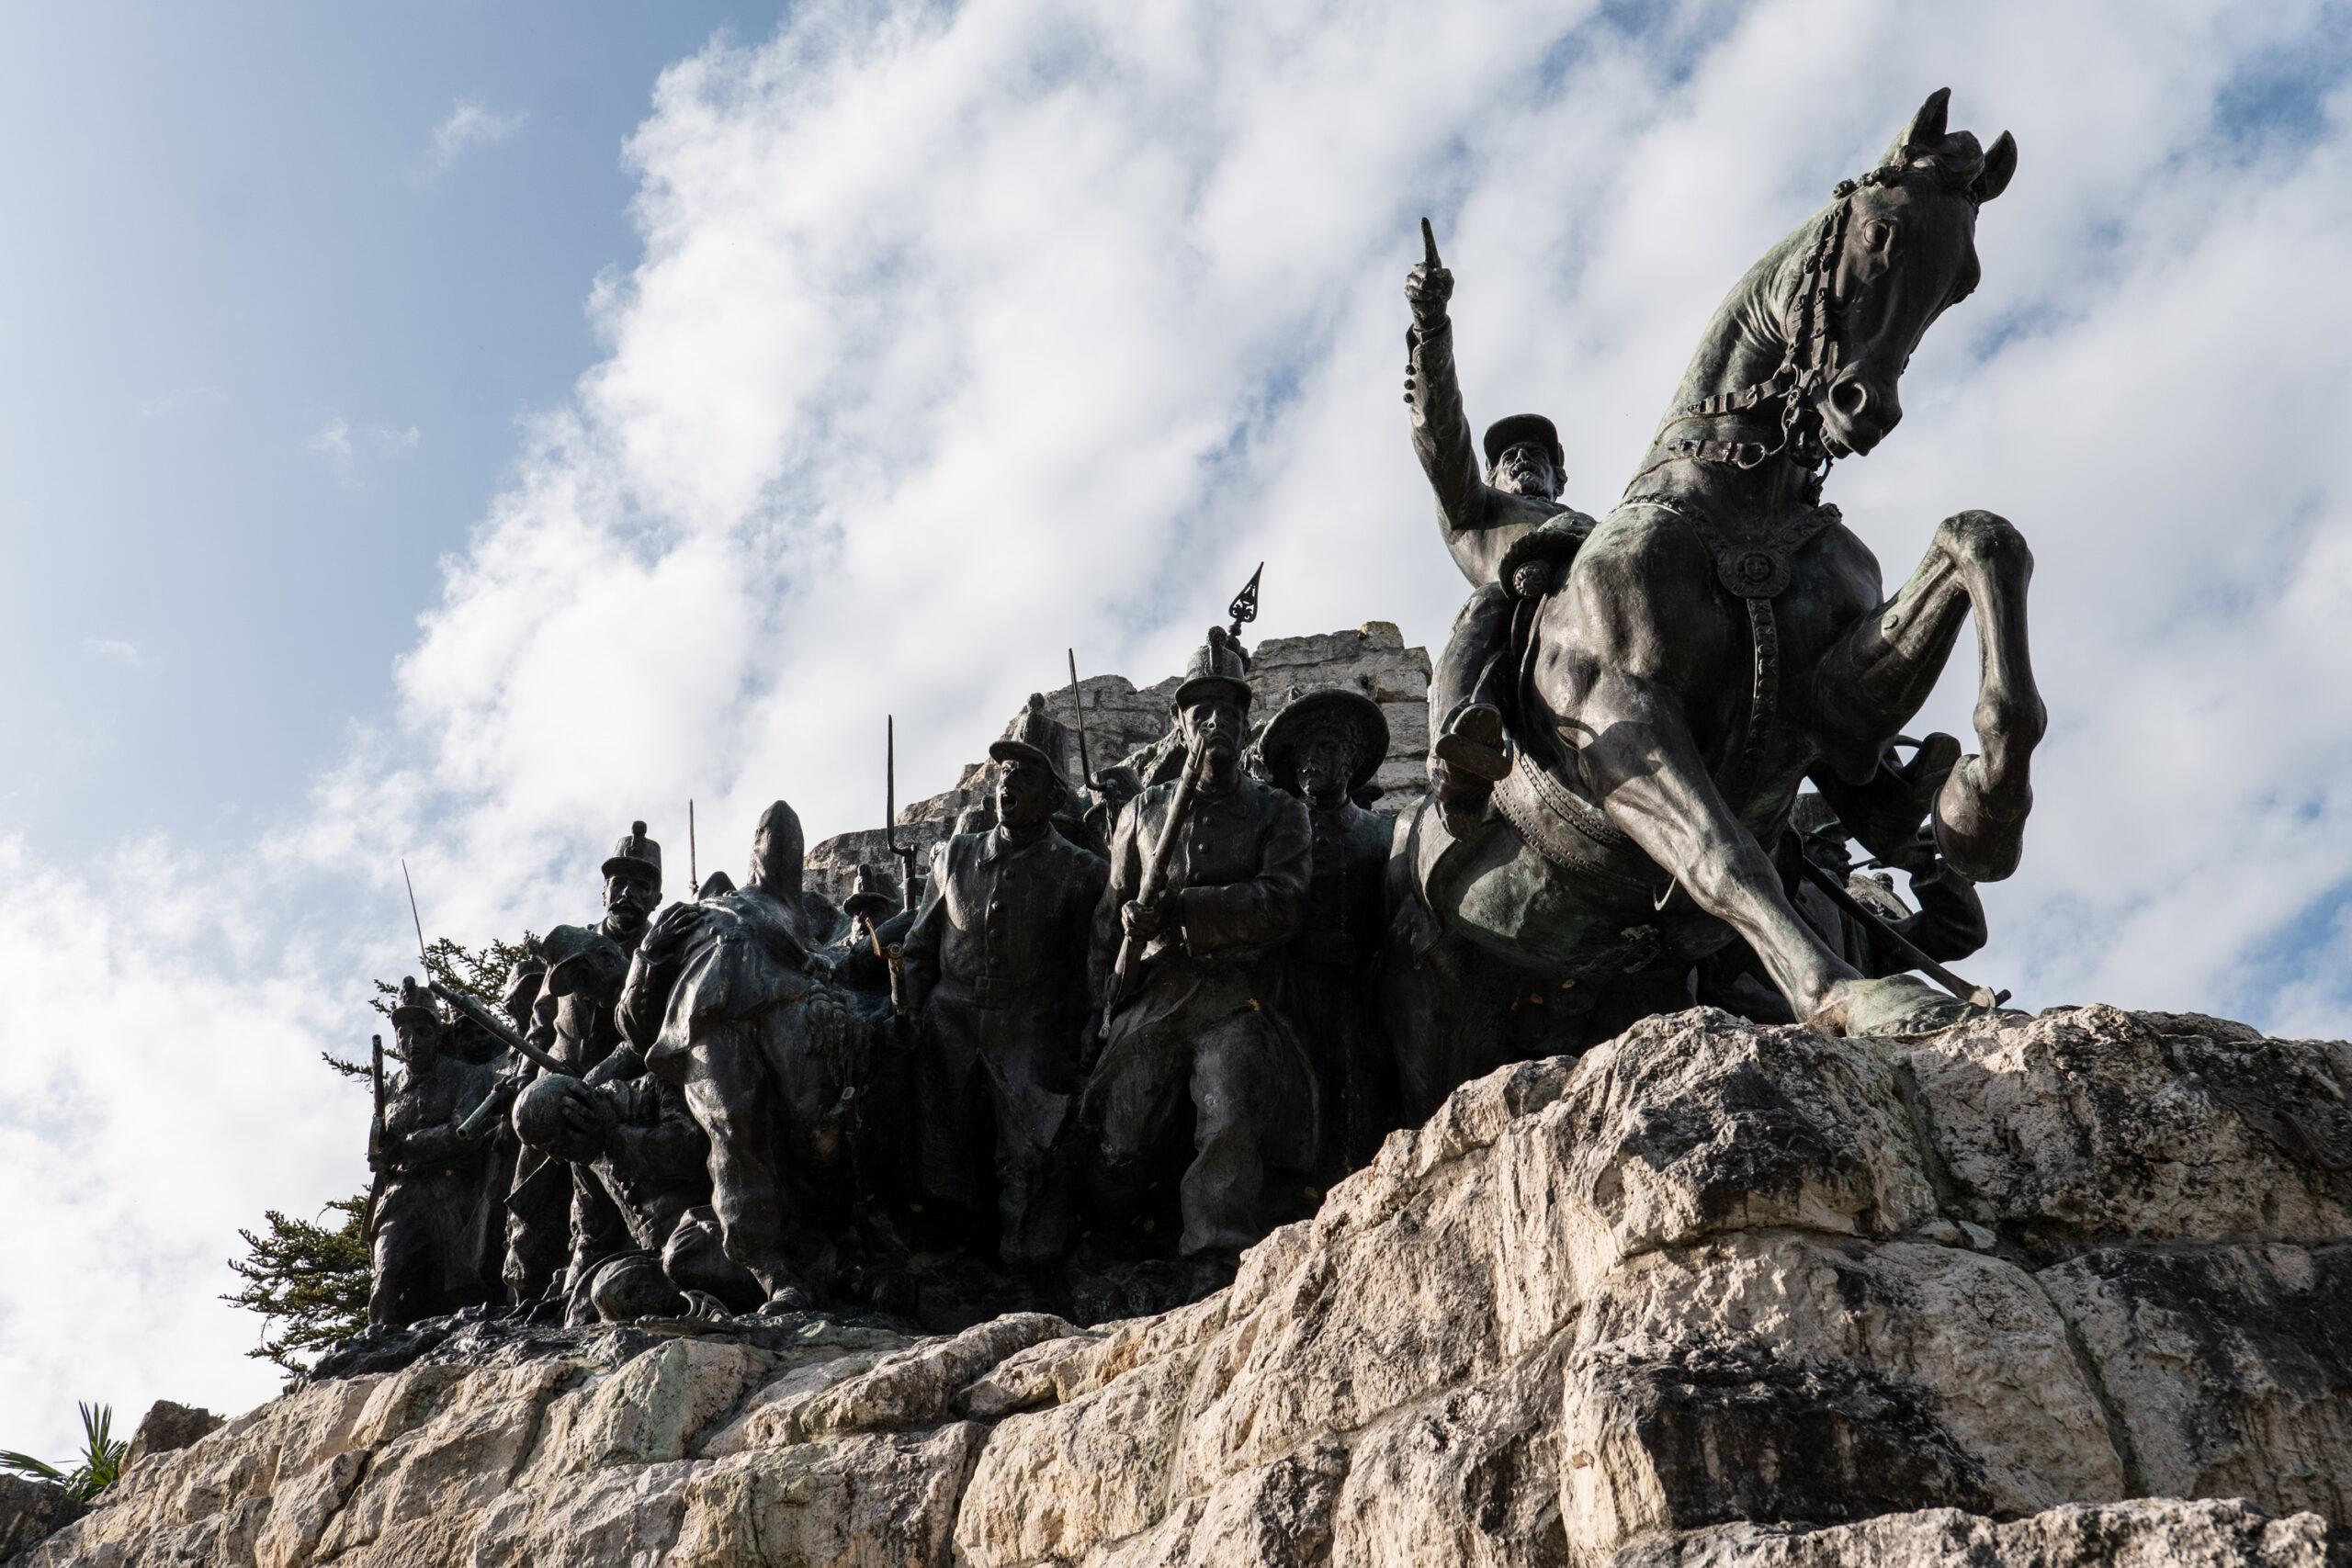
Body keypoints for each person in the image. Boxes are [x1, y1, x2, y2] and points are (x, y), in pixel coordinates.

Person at [1082, 627, 1317, 1260]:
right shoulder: (1142, 813)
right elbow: (1109, 918)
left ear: (1246, 726)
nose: (1216, 722)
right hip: (1154, 993)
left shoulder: (1278, 812)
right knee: (1119, 1129)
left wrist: (1184, 911)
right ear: (1181, 726)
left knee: (1229, 1110)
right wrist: (1101, 999)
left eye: (1229, 712)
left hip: (1235, 996)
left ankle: (1214, 1260)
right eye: (1201, 711)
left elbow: (1285, 902)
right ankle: (1109, 1246)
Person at [625, 800, 857, 1310]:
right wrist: (648, 955)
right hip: (707, 1020)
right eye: (770, 834)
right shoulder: (700, 913)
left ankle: (838, 1252)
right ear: (752, 849)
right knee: (735, 1127)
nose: (781, 841)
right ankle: (773, 1272)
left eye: (791, 840)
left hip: (787, 1012)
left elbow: (851, 957)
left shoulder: (813, 916)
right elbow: (631, 1019)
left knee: (821, 1127)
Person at [899, 702, 1108, 1268]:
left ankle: (1022, 1268)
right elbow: (920, 947)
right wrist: (914, 1017)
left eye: (1025, 773)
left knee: (1029, 1165)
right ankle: (952, 1258)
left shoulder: (1081, 872)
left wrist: (1088, 1031)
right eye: (1003, 772)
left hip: (1032, 1036)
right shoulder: (955, 856)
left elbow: (1096, 969)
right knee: (943, 1157)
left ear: (1056, 797)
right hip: (951, 1033)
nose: (1007, 783)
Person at [1404, 228, 1598, 833]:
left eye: (1535, 455)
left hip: (1603, 615)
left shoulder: (1593, 525)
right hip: (1522, 613)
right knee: (1490, 602)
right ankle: (1465, 737)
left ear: (1559, 476)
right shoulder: (1477, 511)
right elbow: (1442, 431)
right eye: (1508, 456)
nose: (1521, 460)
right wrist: (1432, 329)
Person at [1258, 684, 1394, 1173]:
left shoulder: (1385, 834)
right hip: (1291, 991)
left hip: (1363, 994)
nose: (1311, 762)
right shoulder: (1274, 834)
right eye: (1303, 753)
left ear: (1352, 760)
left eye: (1327, 749)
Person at [368, 978, 511, 1329]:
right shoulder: (390, 1088)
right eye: (404, 1033)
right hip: (400, 1197)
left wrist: (410, 1144)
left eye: (421, 1031)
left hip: (452, 1193)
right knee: (389, 1278)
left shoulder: (466, 1076)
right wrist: (380, 1152)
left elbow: (467, 1130)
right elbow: (379, 1147)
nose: (412, 1042)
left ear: (437, 1035)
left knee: (462, 1289)